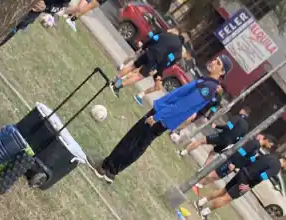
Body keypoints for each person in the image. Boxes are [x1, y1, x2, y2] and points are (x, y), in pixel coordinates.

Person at [96, 56, 229, 182]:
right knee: (139, 143)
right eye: (215, 60)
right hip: (164, 116)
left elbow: (183, 105)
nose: (213, 62)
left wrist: (158, 116)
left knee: (133, 139)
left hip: (162, 116)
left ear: (222, 71)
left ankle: (105, 166)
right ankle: (112, 171)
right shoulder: (208, 82)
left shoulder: (208, 87)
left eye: (218, 63)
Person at [195, 147, 286, 217]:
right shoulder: (276, 168)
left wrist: (243, 167)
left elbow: (253, 159)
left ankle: (200, 202)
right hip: (246, 181)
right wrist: (249, 185)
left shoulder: (270, 156)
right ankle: (204, 212)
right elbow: (262, 176)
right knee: (227, 198)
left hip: (242, 172)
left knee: (223, 190)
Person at [111, 26, 187, 95]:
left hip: (148, 52)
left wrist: (144, 47)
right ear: (183, 42)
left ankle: (114, 79)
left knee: (132, 66)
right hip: (155, 61)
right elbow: (167, 60)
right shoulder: (178, 50)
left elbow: (154, 38)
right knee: (139, 76)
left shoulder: (167, 34)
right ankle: (116, 87)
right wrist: (159, 73)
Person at [179, 105, 251, 157]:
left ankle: (183, 152)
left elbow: (228, 127)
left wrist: (216, 126)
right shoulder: (246, 127)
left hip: (222, 137)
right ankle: (202, 171)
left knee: (201, 140)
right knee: (212, 153)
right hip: (228, 143)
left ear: (243, 111)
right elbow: (240, 139)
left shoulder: (237, 117)